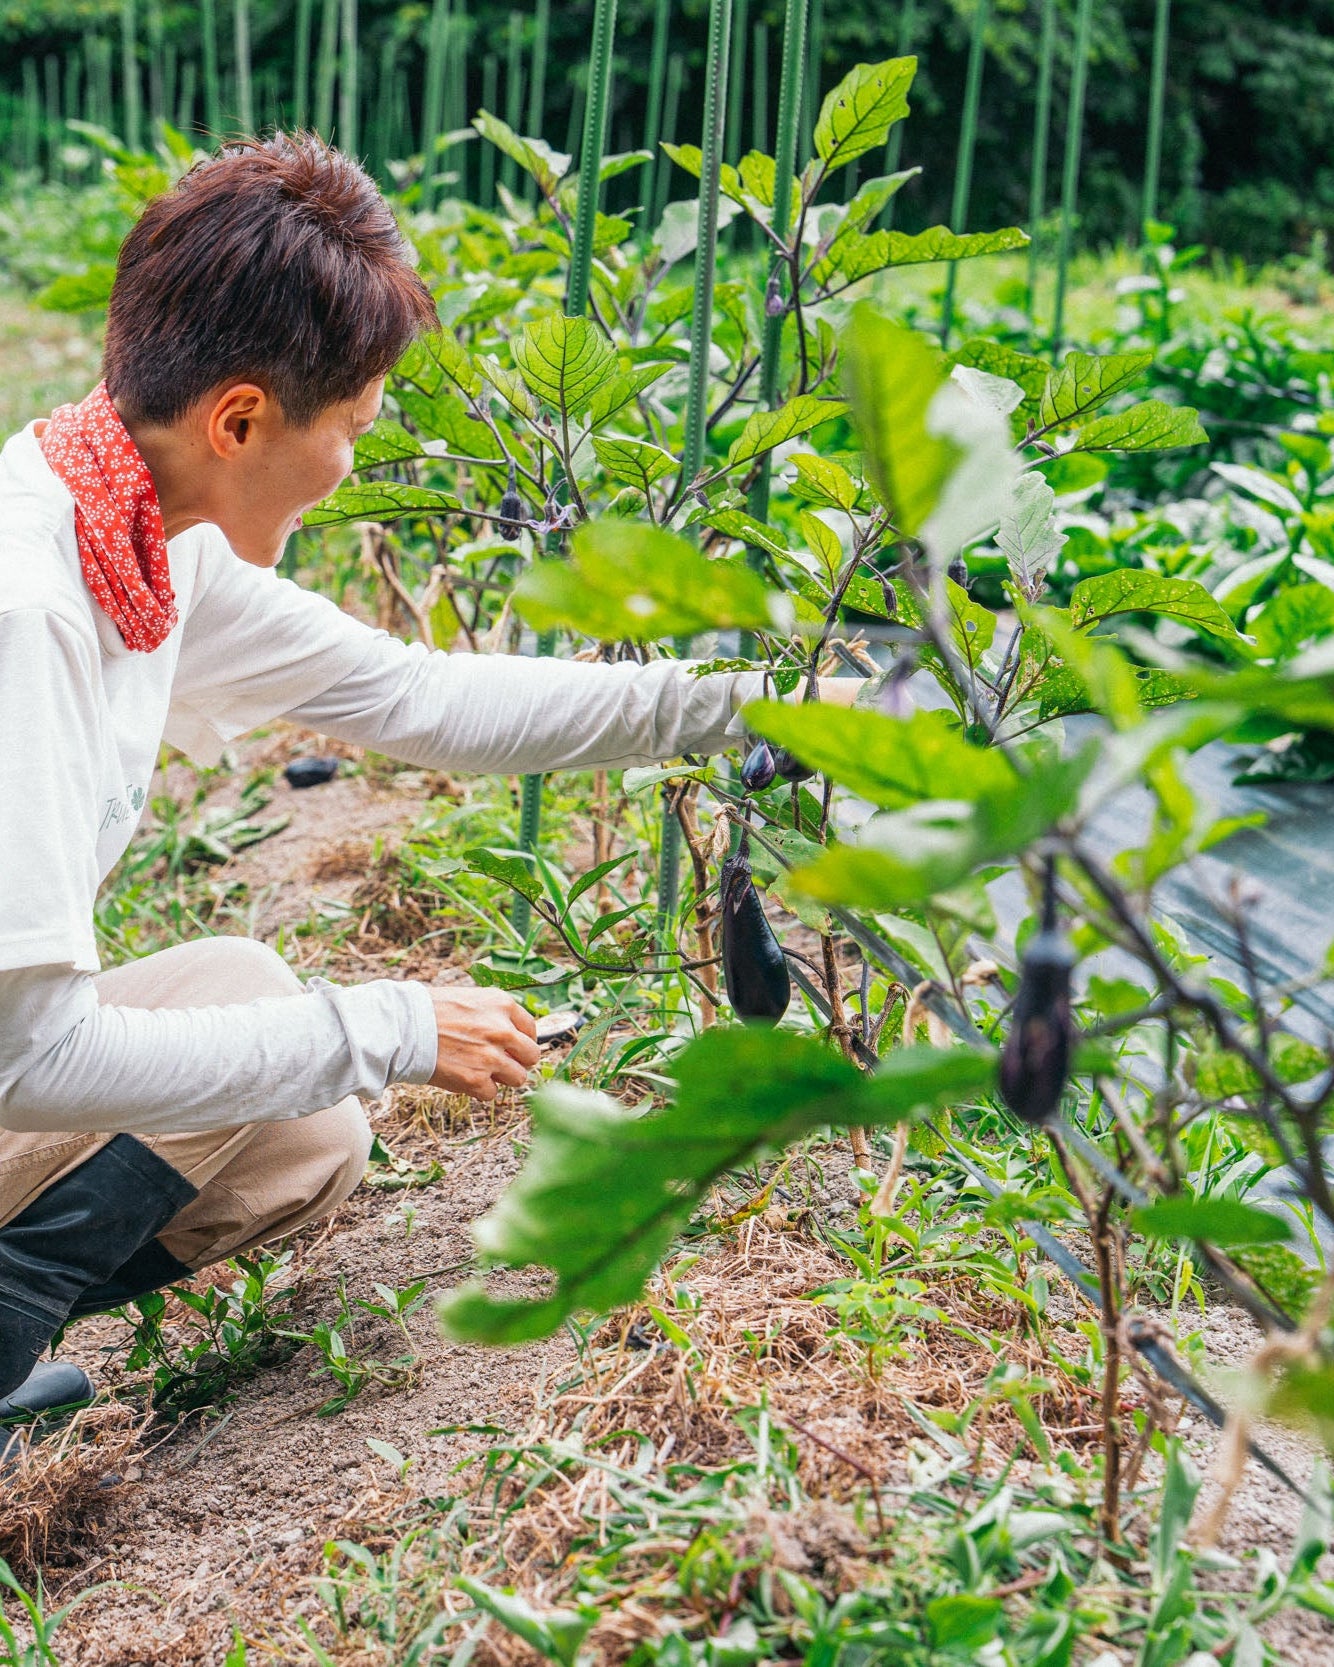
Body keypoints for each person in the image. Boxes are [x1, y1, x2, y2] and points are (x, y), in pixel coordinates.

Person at [0, 133, 853, 1419]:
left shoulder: (134, 530)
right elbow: (31, 1060)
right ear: (240, 419)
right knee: (285, 1032)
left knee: (304, 1134)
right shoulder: (31, 607)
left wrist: (743, 706)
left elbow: (417, 696)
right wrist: (393, 1024)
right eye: (351, 426)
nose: (353, 460)